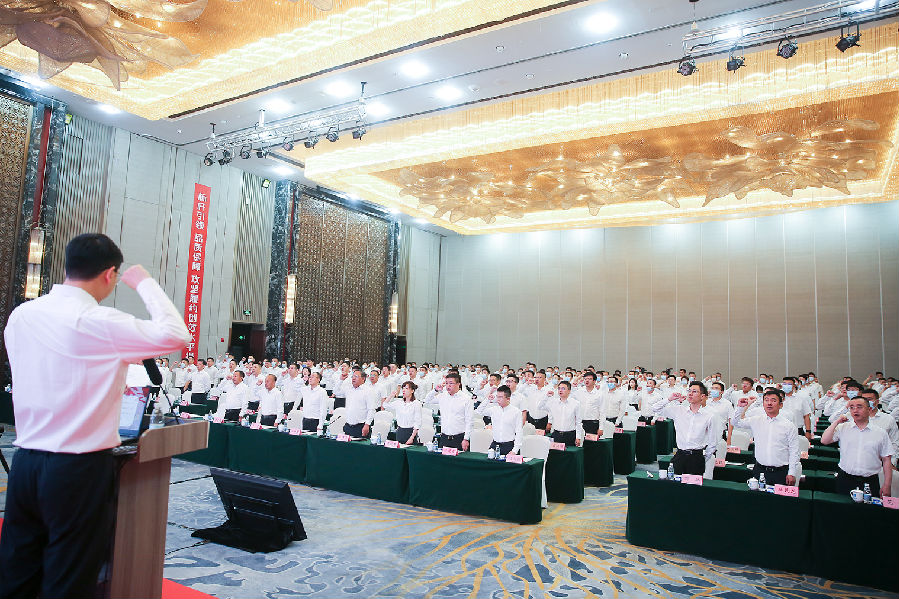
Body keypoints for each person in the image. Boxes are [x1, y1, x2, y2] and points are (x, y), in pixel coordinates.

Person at [0, 234, 190, 598]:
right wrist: (144, 283)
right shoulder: (99, 321)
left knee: (17, 572)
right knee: (68, 578)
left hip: (25, 463)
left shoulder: (22, 316)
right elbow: (175, 335)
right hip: (77, 468)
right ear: (109, 274)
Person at [821, 395, 893, 497]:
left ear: (869, 409)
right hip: (845, 478)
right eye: (852, 407)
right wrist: (836, 422)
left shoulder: (880, 433)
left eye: (859, 407)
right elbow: (824, 440)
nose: (855, 410)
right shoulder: (843, 427)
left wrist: (887, 485)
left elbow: (886, 460)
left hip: (870, 481)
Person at [731, 388, 800, 486]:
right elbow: (735, 422)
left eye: (773, 400)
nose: (769, 403)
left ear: (780, 405)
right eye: (766, 400)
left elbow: (794, 450)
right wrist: (740, 407)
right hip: (759, 470)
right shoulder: (756, 420)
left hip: (781, 472)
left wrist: (791, 473)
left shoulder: (788, 425)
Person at [654, 382, 716, 475]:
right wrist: (669, 399)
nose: (690, 394)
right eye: (689, 391)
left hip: (696, 457)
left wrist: (703, 458)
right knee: (676, 482)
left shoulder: (709, 416)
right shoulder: (679, 410)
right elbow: (655, 408)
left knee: (693, 484)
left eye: (694, 391)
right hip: (680, 455)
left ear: (702, 396)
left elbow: (712, 442)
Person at [424, 372, 473, 450]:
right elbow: (427, 400)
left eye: (451, 383)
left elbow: (469, 421)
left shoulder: (466, 399)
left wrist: (466, 439)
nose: (448, 386)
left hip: (459, 438)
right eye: (446, 383)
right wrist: (435, 390)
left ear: (458, 384)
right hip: (444, 438)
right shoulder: (442, 396)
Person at [475, 384, 523, 455]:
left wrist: (515, 450)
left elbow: (519, 432)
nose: (498, 399)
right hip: (495, 445)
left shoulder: (516, 412)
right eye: (497, 396)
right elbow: (479, 411)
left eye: (500, 397)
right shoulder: (494, 409)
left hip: (509, 445)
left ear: (508, 398)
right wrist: (487, 399)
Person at [537, 380, 583, 447]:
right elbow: (539, 407)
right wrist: (546, 397)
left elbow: (578, 422)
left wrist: (578, 437)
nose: (560, 390)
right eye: (559, 388)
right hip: (556, 434)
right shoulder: (553, 402)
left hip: (570, 435)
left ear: (569, 391)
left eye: (563, 388)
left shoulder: (575, 404)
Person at [382, 380, 422, 445]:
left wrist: (412, 437)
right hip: (400, 431)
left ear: (412, 391)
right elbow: (385, 405)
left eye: (406, 388)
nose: (404, 390)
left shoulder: (416, 403)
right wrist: (391, 396)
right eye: (403, 388)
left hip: (410, 432)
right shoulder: (399, 402)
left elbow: (417, 422)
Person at [343, 368, 377, 438]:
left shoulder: (368, 391)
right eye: (353, 376)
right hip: (348, 426)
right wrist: (341, 380)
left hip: (361, 427)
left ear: (363, 378)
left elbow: (371, 409)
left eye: (356, 376)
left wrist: (367, 424)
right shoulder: (349, 389)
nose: (353, 378)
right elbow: (336, 392)